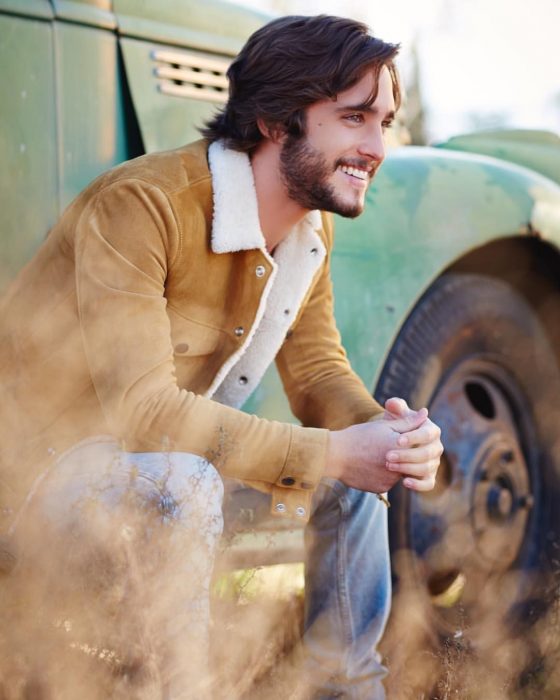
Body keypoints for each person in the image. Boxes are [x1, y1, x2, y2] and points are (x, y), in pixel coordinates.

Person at [0, 14, 442, 700]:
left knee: (359, 476)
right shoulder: (142, 205)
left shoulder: (308, 223)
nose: (377, 146)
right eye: (355, 119)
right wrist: (330, 451)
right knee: (185, 482)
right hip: (37, 486)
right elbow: (145, 414)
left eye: (384, 121)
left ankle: (347, 690)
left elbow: (318, 368)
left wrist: (388, 438)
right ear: (274, 123)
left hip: (161, 474)